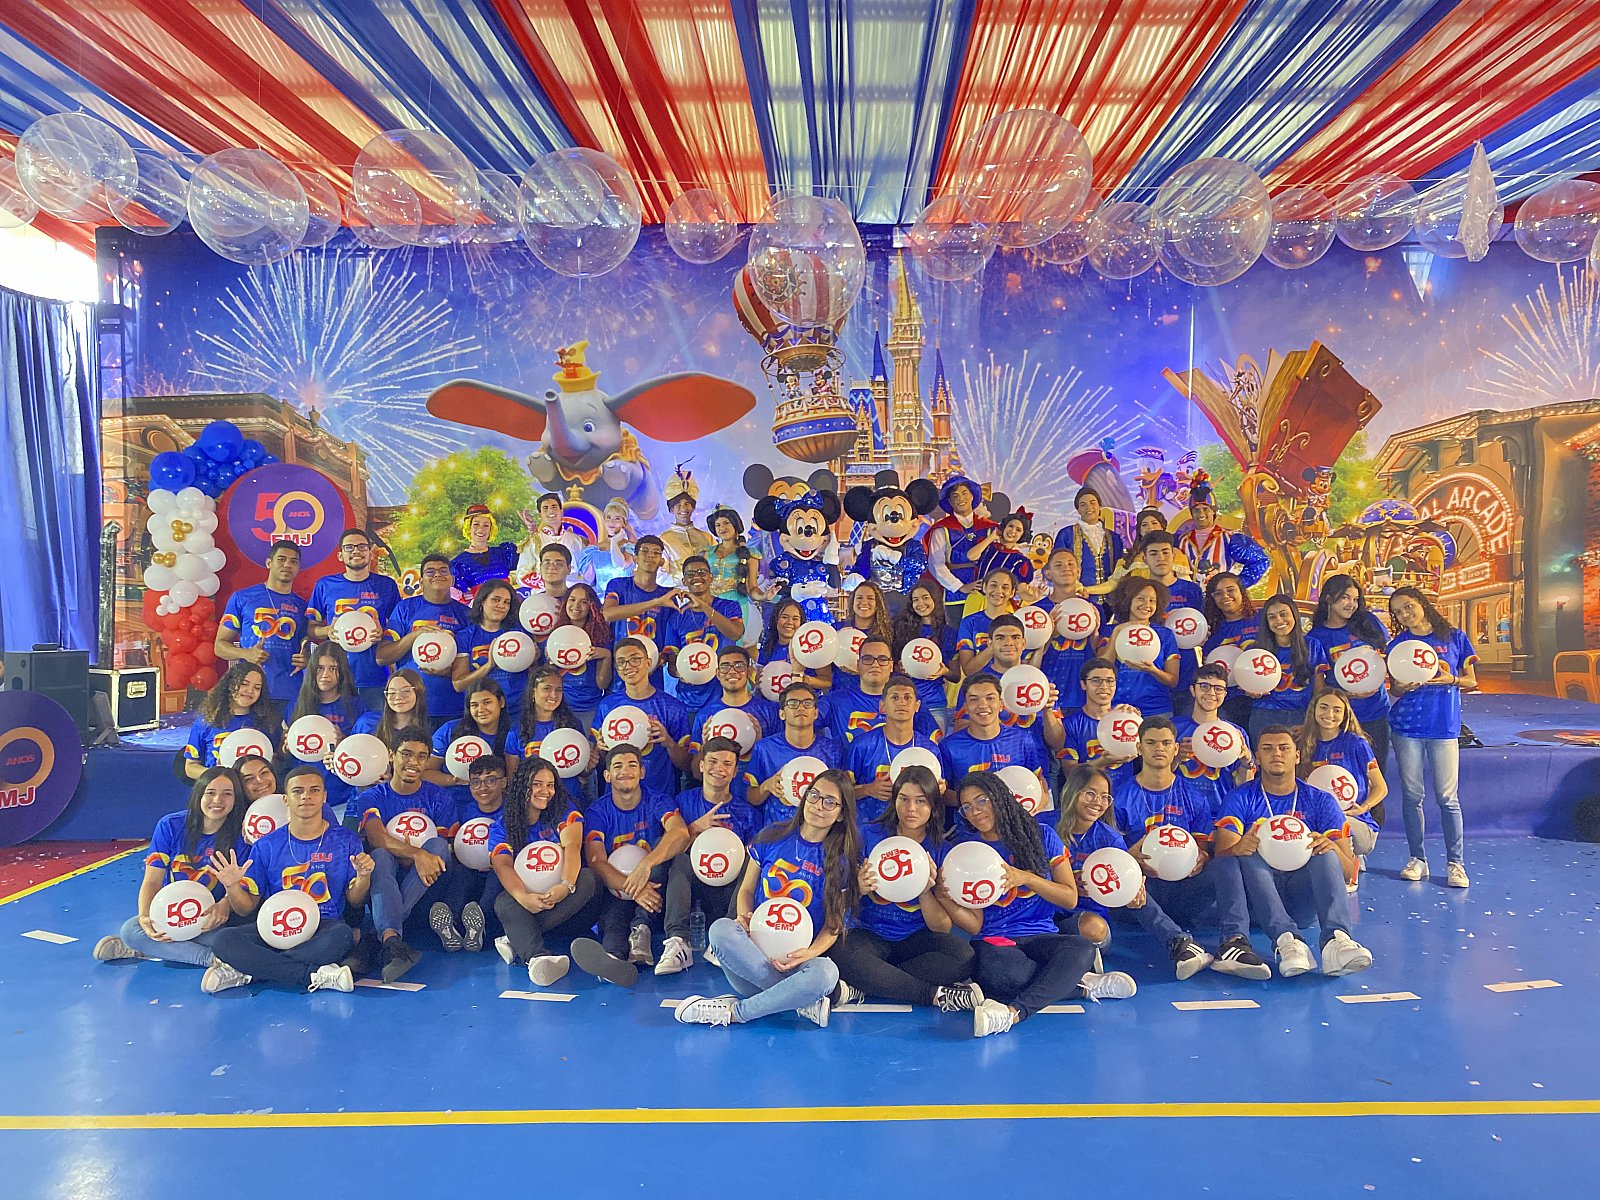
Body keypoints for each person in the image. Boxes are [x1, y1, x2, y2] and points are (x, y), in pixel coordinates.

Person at [950, 771, 1134, 1038]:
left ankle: (1012, 1013)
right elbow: (976, 925)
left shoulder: (1042, 835)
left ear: (999, 797)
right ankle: (1078, 985)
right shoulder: (968, 849)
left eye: (981, 801)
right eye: (966, 807)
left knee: (1083, 949)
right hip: (997, 942)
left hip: (1042, 935)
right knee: (1000, 975)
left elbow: (1069, 897)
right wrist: (945, 896)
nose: (975, 812)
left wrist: (1028, 878)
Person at [674, 770, 860, 1028]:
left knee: (827, 973)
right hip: (753, 961)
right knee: (720, 929)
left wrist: (809, 953)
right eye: (814, 795)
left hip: (796, 964)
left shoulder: (841, 861)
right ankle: (800, 1001)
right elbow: (746, 891)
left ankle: (733, 1013)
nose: (818, 805)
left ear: (840, 814)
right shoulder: (773, 834)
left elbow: (833, 925)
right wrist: (744, 916)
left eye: (830, 802)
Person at [1114, 717, 1268, 980]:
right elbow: (1111, 858)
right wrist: (1129, 859)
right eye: (1151, 743)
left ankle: (1234, 942)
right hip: (1140, 896)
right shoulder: (1120, 796)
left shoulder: (1193, 796)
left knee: (1226, 862)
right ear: (1139, 747)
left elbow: (1203, 847)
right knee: (1123, 878)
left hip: (1185, 892)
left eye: (1166, 743)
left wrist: (1203, 857)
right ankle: (1179, 943)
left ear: (1175, 749)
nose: (1159, 748)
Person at [1212, 726, 1373, 977]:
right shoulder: (1240, 797)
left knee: (1324, 850)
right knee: (1247, 850)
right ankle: (1287, 941)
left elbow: (1347, 871)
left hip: (1302, 902)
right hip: (1256, 902)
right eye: (1268, 749)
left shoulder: (1321, 800)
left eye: (1284, 748)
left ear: (1297, 756)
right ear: (1257, 757)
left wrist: (1331, 847)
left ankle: (1336, 941)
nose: (1276, 754)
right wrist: (1239, 847)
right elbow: (1221, 858)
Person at [203, 764, 372, 994]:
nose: (306, 796)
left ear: (324, 797)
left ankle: (249, 969)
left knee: (342, 936)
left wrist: (363, 877)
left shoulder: (346, 840)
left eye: (314, 790)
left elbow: (355, 900)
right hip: (274, 929)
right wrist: (232, 886)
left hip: (323, 928)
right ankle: (312, 975)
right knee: (223, 940)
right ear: (285, 799)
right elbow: (245, 908)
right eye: (298, 791)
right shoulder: (266, 845)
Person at [830, 765, 981, 1011]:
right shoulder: (867, 835)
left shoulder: (942, 850)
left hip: (915, 940)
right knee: (840, 951)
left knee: (963, 957)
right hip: (869, 933)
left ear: (933, 806)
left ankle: (868, 983)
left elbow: (941, 928)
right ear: (894, 800)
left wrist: (925, 892)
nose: (911, 809)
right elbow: (836, 899)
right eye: (904, 799)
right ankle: (932, 995)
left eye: (921, 801)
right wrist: (858, 887)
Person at [1056, 764, 1207, 975]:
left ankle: (1179, 941)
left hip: (1084, 920)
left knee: (1102, 921)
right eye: (1090, 793)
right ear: (1073, 791)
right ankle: (1076, 959)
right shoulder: (1044, 826)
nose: (1097, 802)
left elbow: (1122, 887)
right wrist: (1067, 882)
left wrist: (1133, 890)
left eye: (1105, 797)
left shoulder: (1110, 839)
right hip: (1041, 915)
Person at [92, 766, 249, 968]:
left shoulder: (241, 835)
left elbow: (240, 888)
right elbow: (152, 880)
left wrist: (224, 905)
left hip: (211, 920)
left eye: (227, 794)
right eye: (210, 792)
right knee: (132, 930)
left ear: (236, 800)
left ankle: (149, 949)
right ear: (198, 794)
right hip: (169, 915)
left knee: (223, 939)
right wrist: (145, 916)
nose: (218, 800)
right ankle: (212, 960)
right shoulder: (171, 825)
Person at [570, 745, 690, 984]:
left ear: (642, 772)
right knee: (614, 918)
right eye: (618, 766)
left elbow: (680, 833)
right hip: (620, 889)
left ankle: (645, 933)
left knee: (668, 849)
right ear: (607, 775)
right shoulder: (598, 811)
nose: (625, 771)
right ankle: (613, 959)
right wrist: (634, 889)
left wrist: (645, 865)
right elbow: (597, 861)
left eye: (632, 765)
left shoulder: (658, 801)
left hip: (655, 889)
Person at [1386, 585, 1477, 887]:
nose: (1405, 614)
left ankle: (1456, 863)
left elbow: (1471, 681)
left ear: (1422, 603)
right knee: (1412, 796)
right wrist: (1403, 687)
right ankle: (1418, 859)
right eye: (1398, 612)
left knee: (1448, 798)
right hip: (1407, 727)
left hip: (1443, 726)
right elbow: (1394, 689)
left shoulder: (1454, 637)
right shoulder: (1398, 645)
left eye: (1408, 606)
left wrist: (1451, 679)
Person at [354, 729, 458, 980]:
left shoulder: (440, 797)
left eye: (422, 757)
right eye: (406, 754)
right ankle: (392, 939)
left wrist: (419, 857)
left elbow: (442, 851)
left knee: (437, 846)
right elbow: (377, 837)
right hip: (385, 880)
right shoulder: (371, 796)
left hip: (426, 885)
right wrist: (416, 854)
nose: (414, 762)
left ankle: (382, 934)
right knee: (380, 855)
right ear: (391, 755)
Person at [661, 736, 764, 975]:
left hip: (728, 895)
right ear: (701, 765)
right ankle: (678, 942)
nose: (719, 768)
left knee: (752, 860)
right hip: (692, 892)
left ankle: (728, 938)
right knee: (680, 858)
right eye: (713, 762)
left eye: (727, 764)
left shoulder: (747, 812)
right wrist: (694, 829)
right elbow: (665, 847)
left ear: (735, 771)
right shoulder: (682, 802)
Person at [489, 756, 595, 985]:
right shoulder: (502, 825)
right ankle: (537, 958)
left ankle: (516, 937)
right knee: (504, 901)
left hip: (569, 905)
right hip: (530, 903)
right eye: (537, 784)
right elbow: (502, 865)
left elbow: (573, 846)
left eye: (550, 785)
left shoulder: (564, 811)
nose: (545, 791)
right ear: (522, 786)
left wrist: (565, 886)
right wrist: (523, 897)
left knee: (587, 878)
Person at [1296, 690, 1385, 888]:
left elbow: (1381, 787)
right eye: (1324, 707)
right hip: (1318, 821)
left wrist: (1363, 808)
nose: (1330, 714)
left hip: (1357, 824)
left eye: (1337, 710)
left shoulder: (1357, 744)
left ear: (1345, 715)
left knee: (1336, 817)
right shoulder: (1303, 743)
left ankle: (1349, 870)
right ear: (1313, 710)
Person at [1309, 574, 1393, 782]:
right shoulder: (1316, 637)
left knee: (1376, 777)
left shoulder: (1368, 623)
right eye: (1345, 597)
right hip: (1340, 719)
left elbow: (1388, 656)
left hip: (1376, 713)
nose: (1351, 604)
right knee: (1344, 777)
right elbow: (1318, 687)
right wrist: (1346, 695)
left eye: (1355, 599)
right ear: (1329, 599)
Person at [307, 527, 401, 710]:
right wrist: (327, 631)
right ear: (340, 555)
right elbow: (310, 628)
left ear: (370, 552)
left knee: (374, 725)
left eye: (362, 546)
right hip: (336, 676)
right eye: (349, 547)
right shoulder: (325, 585)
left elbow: (400, 628)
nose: (356, 551)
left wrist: (383, 633)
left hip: (375, 676)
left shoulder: (387, 585)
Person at [379, 554, 472, 729]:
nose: (437, 574)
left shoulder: (466, 614)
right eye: (430, 571)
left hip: (452, 707)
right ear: (421, 581)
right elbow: (382, 657)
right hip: (410, 708)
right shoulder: (405, 608)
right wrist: (414, 636)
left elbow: (473, 666)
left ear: (452, 579)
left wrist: (449, 672)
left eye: (443, 571)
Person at [430, 753, 510, 954]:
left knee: (496, 880)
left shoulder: (513, 811)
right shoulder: (463, 811)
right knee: (460, 875)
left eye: (490, 780)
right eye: (476, 782)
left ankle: (478, 926)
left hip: (501, 869)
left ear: (503, 782)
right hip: (469, 867)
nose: (483, 787)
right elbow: (453, 845)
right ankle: (450, 925)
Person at [594, 637, 692, 795]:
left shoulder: (673, 707)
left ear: (648, 662)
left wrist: (669, 742)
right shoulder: (607, 705)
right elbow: (599, 764)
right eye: (621, 662)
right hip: (619, 798)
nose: (628, 666)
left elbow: (687, 765)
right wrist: (600, 748)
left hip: (659, 796)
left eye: (635, 660)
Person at [215, 540, 309, 705]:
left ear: (298, 568)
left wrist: (306, 658)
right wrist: (246, 654)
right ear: (268, 563)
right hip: (250, 691)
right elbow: (219, 646)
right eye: (281, 559)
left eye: (293, 561)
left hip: (291, 691)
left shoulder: (302, 606)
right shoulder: (242, 598)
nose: (287, 564)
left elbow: (305, 644)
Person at [281, 642, 367, 813]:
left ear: (342, 672)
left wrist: (345, 743)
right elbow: (283, 754)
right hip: (304, 797)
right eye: (320, 668)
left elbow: (365, 755)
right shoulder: (297, 705)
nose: (325, 675)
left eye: (333, 668)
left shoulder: (356, 706)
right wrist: (287, 747)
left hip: (343, 796)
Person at [846, 675, 944, 825]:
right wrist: (867, 789)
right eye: (895, 697)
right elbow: (842, 792)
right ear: (883, 706)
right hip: (870, 827)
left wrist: (940, 790)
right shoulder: (862, 745)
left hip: (915, 829)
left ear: (917, 706)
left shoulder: (929, 750)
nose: (901, 702)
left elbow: (939, 793)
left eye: (907, 697)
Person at [745, 683, 846, 818]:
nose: (801, 708)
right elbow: (751, 798)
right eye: (793, 703)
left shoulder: (833, 751)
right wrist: (766, 786)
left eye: (807, 703)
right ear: (782, 714)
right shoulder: (764, 749)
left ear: (815, 713)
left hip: (819, 827)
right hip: (777, 827)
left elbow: (842, 798)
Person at [661, 553, 744, 716]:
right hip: (690, 699)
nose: (697, 577)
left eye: (702, 572)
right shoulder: (676, 617)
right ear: (684, 581)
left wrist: (704, 607)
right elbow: (672, 663)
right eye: (690, 574)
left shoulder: (729, 607)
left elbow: (735, 634)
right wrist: (681, 672)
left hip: (724, 694)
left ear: (710, 577)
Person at [940, 676, 1048, 801]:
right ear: (966, 708)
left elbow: (1038, 779)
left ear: (1001, 704)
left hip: (1015, 812)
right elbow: (943, 793)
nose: (983, 705)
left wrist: (1043, 799)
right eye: (974, 699)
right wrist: (976, 801)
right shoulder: (949, 747)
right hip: (971, 813)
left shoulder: (1022, 741)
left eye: (990, 698)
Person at [827, 637, 943, 747]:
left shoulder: (908, 699)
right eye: (868, 659)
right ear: (858, 665)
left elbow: (932, 743)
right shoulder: (835, 701)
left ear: (891, 666)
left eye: (882, 659)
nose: (875, 665)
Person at [1175, 662, 1256, 819]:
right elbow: (1157, 776)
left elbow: (1243, 785)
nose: (1211, 693)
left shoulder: (1236, 733)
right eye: (1204, 686)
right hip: (1180, 813)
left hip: (1221, 815)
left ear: (1225, 694)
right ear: (1193, 690)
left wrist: (1247, 762)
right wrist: (1176, 758)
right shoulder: (1174, 728)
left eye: (1218, 688)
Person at [1246, 593, 1330, 742]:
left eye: (1283, 614)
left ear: (1294, 615)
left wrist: (1310, 722)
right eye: (1272, 617)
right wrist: (1251, 691)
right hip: (1264, 715)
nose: (1279, 620)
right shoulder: (1256, 650)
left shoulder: (1312, 645)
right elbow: (1246, 686)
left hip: (1301, 716)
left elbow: (1319, 691)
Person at [1140, 531, 1205, 715]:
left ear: (1174, 556)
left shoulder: (1191, 590)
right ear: (1144, 559)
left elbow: (1201, 628)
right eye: (1154, 553)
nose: (1160, 558)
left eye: (1165, 552)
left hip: (1186, 674)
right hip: (1150, 677)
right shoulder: (1138, 591)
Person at [453, 579, 532, 727]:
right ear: (482, 601)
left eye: (506, 602)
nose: (501, 605)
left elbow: (533, 673)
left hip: (518, 713)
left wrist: (535, 657)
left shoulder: (519, 633)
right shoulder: (465, 636)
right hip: (481, 715)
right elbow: (459, 684)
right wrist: (489, 665)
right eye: (496, 600)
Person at [601, 534, 677, 687]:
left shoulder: (667, 595)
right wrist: (655, 602)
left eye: (656, 552)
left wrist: (660, 659)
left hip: (652, 675)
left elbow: (671, 638)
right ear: (635, 558)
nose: (650, 555)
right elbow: (608, 614)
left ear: (662, 561)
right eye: (645, 551)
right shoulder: (618, 585)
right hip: (619, 676)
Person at [1098, 576, 1180, 716]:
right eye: (1140, 598)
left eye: (1152, 600)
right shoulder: (1110, 631)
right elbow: (1101, 668)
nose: (1147, 605)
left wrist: (1153, 670)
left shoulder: (1165, 635)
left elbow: (1173, 681)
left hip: (1156, 709)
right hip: (1116, 708)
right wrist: (1117, 632)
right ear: (1127, 600)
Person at [924, 475, 998, 627]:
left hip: (988, 594)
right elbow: (936, 564)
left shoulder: (990, 528)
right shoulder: (942, 529)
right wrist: (959, 586)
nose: (960, 498)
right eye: (955, 495)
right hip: (956, 596)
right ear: (950, 501)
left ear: (972, 496)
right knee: (959, 635)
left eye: (964, 493)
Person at [1176, 471, 1269, 590]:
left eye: (1205, 509)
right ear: (1191, 513)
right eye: (1196, 510)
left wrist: (1236, 585)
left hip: (1219, 599)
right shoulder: (1181, 540)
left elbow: (1260, 560)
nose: (1201, 514)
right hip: (1189, 599)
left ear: (1214, 511)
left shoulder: (1230, 539)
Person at [183, 662, 276, 779]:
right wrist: (217, 774)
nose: (250, 690)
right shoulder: (207, 720)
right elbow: (190, 766)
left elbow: (273, 759)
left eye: (257, 687)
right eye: (244, 684)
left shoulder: (266, 721)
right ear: (230, 684)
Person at [890, 578, 959, 731]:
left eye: (925, 597)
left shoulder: (949, 633)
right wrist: (896, 667)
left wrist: (944, 671)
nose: (920, 603)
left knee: (933, 745)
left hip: (934, 703)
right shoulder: (899, 628)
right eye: (915, 599)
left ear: (935, 599)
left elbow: (956, 676)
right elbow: (887, 662)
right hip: (902, 702)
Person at [1033, 550, 1094, 712]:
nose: (1066, 568)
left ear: (1078, 571)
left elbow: (1102, 654)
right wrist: (1048, 634)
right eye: (1058, 565)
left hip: (1085, 697)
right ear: (1048, 573)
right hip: (1048, 695)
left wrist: (1094, 633)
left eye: (1070, 564)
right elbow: (1027, 659)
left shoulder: (1093, 609)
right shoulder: (1036, 611)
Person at [428, 680, 520, 787]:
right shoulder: (449, 729)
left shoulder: (514, 734)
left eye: (487, 702)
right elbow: (426, 772)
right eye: (474, 705)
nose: (480, 709)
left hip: (496, 795)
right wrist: (454, 780)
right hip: (453, 794)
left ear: (501, 702)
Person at [549, 583, 613, 731]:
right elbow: (549, 678)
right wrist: (549, 660)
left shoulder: (602, 637)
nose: (576, 605)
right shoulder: (555, 635)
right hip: (560, 709)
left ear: (592, 606)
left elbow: (602, 684)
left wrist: (606, 656)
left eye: (583, 602)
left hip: (591, 708)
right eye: (572, 600)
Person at [1201, 571, 1260, 728]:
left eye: (1230, 590)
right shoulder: (1212, 632)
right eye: (1218, 593)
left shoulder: (1262, 619)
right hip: (1230, 702)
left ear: (1241, 591)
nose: (1225, 596)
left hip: (1266, 699)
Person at [1060, 658, 1135, 766]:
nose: (1104, 687)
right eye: (1096, 681)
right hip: (1089, 778)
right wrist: (1102, 762)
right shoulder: (1070, 724)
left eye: (1110, 681)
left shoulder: (1127, 718)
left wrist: (1137, 720)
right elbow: (1070, 771)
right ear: (1083, 684)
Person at [706, 505, 763, 644]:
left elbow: (752, 588)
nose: (722, 528)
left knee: (731, 645)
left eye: (726, 523)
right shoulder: (706, 553)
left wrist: (764, 596)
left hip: (736, 605)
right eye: (718, 525)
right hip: (710, 604)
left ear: (735, 524)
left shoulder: (750, 554)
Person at [1056, 488, 1126, 597]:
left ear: (1100, 506)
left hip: (1111, 600)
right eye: (1083, 504)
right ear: (1078, 510)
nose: (1088, 507)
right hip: (1078, 598)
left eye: (1092, 503)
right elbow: (1057, 566)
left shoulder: (1114, 537)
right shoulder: (1066, 535)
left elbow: (1119, 569)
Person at [954, 569, 1017, 678]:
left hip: (1010, 684)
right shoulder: (969, 622)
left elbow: (1025, 665)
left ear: (1012, 592)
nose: (998, 591)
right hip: (979, 685)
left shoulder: (1018, 622)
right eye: (993, 585)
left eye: (1005, 587)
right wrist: (993, 647)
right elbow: (968, 670)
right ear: (984, 587)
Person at [450, 503, 521, 600]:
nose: (481, 529)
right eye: (476, 524)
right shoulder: (459, 563)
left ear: (491, 529)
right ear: (469, 528)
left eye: (486, 525)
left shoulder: (503, 553)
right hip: (482, 607)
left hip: (508, 604)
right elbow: (459, 597)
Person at [659, 465, 716, 585]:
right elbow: (661, 577)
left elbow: (717, 567)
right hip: (680, 594)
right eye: (678, 505)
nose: (683, 509)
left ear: (693, 507)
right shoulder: (663, 540)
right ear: (671, 509)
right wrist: (688, 581)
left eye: (687, 504)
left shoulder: (707, 538)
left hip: (708, 593)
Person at [352, 668, 430, 747]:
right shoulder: (367, 722)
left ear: (418, 692)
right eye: (392, 692)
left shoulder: (428, 728)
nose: (398, 697)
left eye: (405, 691)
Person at [836, 581, 894, 672]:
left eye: (870, 598)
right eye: (859, 598)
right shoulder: (837, 629)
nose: (864, 602)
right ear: (852, 602)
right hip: (839, 680)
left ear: (878, 603)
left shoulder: (889, 633)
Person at [972, 509, 1036, 586]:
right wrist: (991, 537)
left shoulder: (1021, 560)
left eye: (1018, 530)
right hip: (976, 592)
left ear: (1023, 535)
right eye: (1010, 526)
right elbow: (971, 556)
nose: (1013, 531)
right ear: (1004, 527)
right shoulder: (988, 547)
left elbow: (1021, 587)